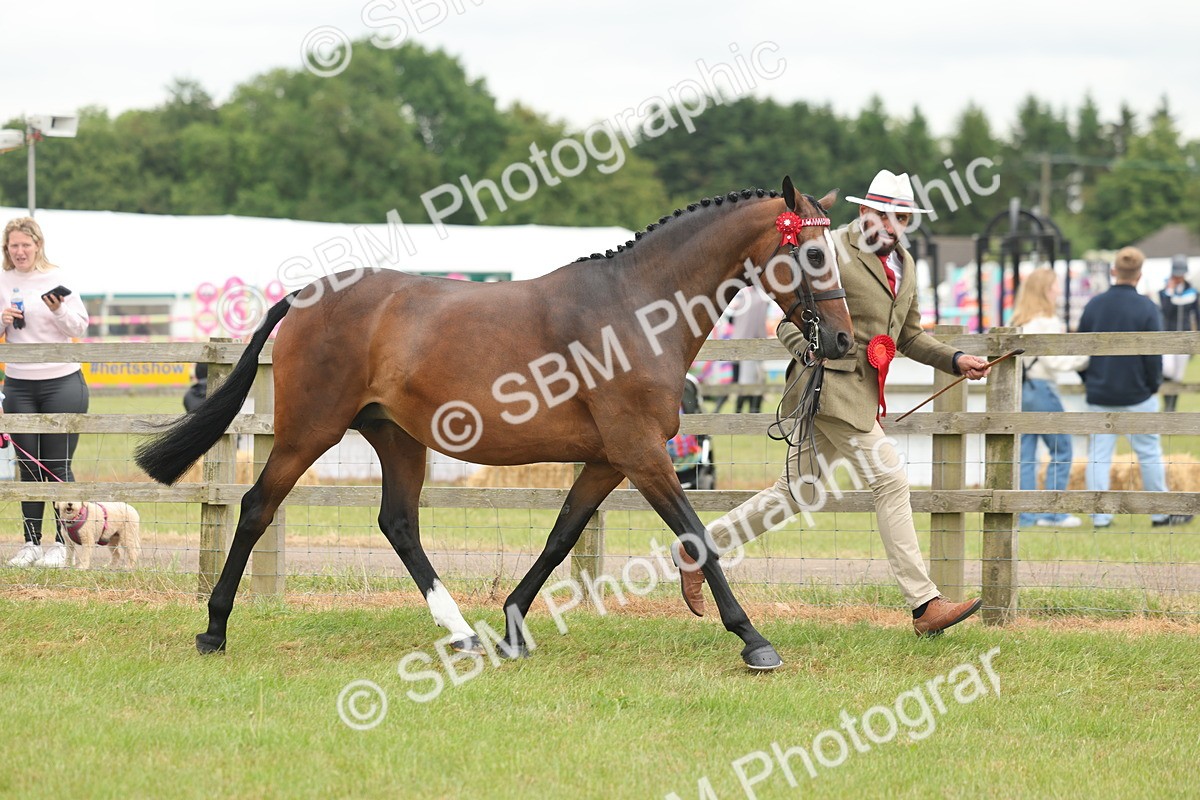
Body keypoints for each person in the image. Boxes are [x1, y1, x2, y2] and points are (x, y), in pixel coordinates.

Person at [674, 170, 992, 636]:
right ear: (864, 212)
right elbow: (787, 319)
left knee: (795, 493)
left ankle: (696, 548)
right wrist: (809, 351)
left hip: (861, 393)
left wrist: (956, 359)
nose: (894, 225)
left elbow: (908, 336)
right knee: (890, 479)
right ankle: (924, 604)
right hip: (830, 390)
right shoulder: (831, 247)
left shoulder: (905, 265)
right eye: (885, 215)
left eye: (903, 217)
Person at [1077, 246, 1192, 528]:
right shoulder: (1147, 307)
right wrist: (1153, 385)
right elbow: (1154, 356)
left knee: (1098, 455)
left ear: (1113, 271)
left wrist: (1089, 380)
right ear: (1139, 274)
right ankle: (1160, 513)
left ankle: (1100, 516)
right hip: (1138, 392)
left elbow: (1078, 351)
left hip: (1101, 391)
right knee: (1149, 452)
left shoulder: (1094, 305)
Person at [2, 217, 90, 568]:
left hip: (62, 382)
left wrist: (58, 309)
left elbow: (79, 327)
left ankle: (61, 545)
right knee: (28, 466)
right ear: (7, 248)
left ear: (38, 245)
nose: (20, 251)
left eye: (25, 244)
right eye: (14, 245)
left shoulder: (57, 277)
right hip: (18, 384)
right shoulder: (3, 280)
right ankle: (30, 543)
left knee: (57, 466)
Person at [1011, 268, 1089, 529]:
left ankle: (1026, 514)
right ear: (1045, 289)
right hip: (1042, 387)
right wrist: (1085, 358)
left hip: (1023, 389)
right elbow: (1055, 361)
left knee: (1026, 453)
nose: (1058, 289)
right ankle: (1053, 513)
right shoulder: (1047, 320)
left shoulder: (1020, 319)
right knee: (1061, 448)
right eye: (1055, 285)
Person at [1159, 254, 1198, 412]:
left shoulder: (1192, 291)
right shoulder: (1164, 292)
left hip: (1185, 338)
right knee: (1167, 370)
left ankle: (1172, 407)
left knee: (1178, 375)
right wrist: (1170, 291)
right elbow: (1166, 312)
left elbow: (1197, 315)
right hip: (1168, 337)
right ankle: (1167, 403)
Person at [729, 286, 770, 414]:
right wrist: (764, 342)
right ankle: (750, 412)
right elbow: (759, 325)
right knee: (751, 382)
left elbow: (731, 320)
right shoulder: (761, 299)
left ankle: (740, 412)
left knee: (740, 381)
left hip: (737, 344)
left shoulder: (742, 297)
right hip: (752, 344)